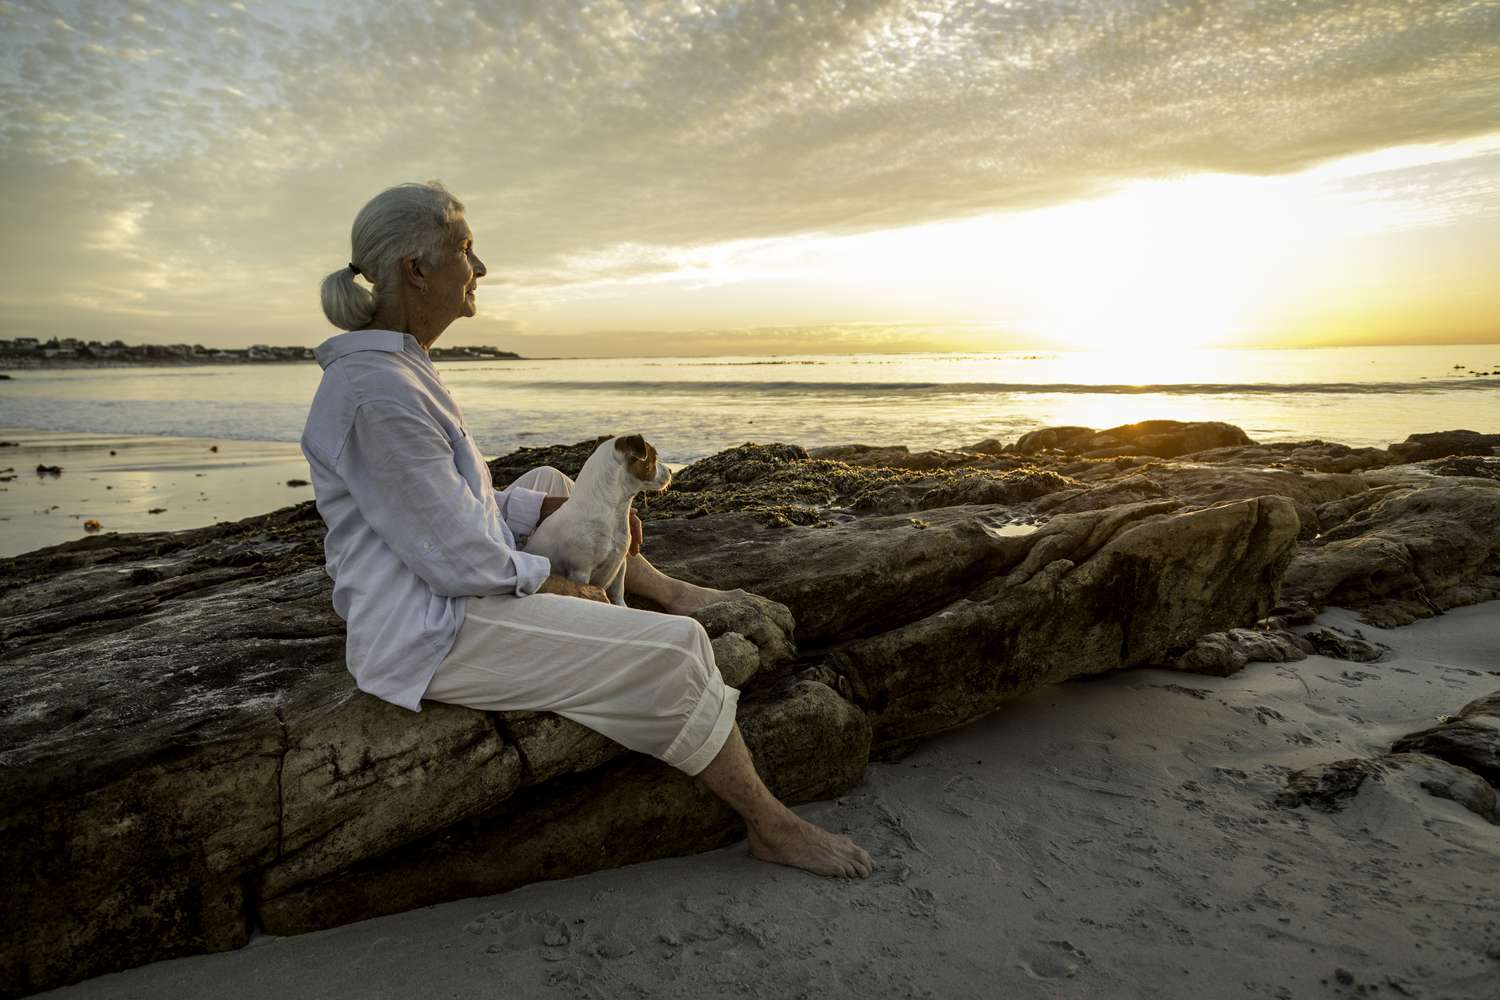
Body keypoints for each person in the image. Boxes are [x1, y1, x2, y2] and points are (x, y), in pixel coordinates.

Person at [301, 181, 874, 879]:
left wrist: (533, 514)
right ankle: (770, 824)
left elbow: (448, 505)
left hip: (442, 580)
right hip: (430, 628)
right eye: (465, 250)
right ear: (415, 270)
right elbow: (454, 558)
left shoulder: (399, 369)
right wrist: (564, 588)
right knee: (678, 649)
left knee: (552, 485)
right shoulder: (376, 395)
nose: (479, 269)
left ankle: (663, 585)